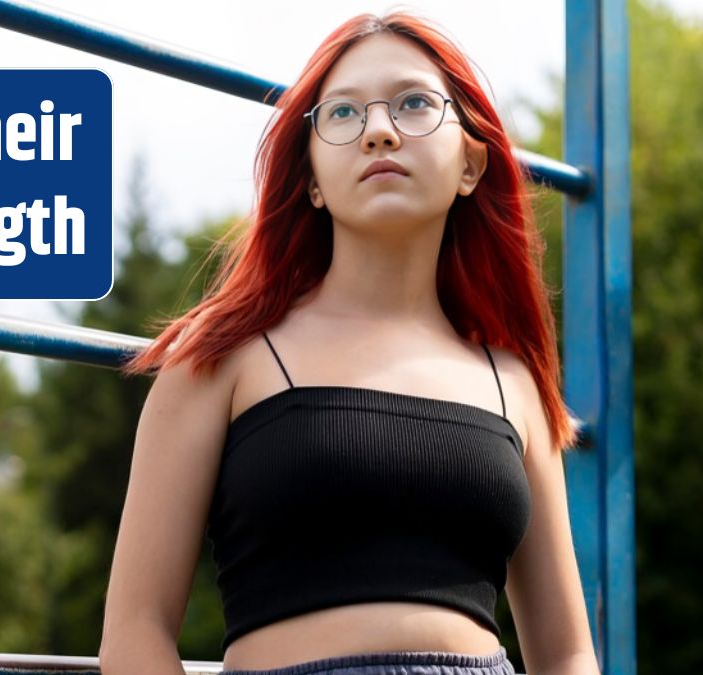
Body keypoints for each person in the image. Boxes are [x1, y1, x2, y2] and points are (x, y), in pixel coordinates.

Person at [99, 10, 600, 675]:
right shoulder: (221, 359)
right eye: (342, 115)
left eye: (415, 103)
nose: (380, 131)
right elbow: (134, 634)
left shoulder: (512, 381)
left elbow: (566, 652)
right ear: (308, 179)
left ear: (471, 164)